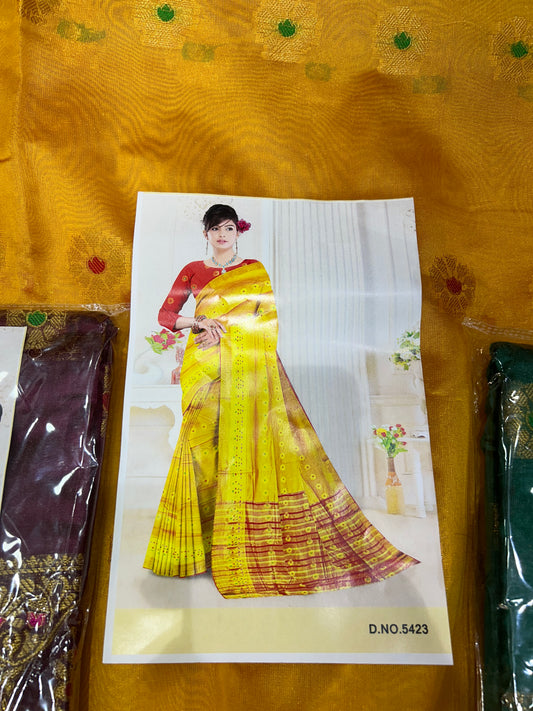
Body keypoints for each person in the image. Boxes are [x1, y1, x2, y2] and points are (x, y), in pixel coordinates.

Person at [143, 204, 418, 598]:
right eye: (215, 229)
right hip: (202, 367)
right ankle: (198, 548)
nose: (222, 235)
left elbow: (267, 321)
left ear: (238, 232)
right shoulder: (192, 271)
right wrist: (200, 322)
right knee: (199, 448)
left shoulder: (254, 270)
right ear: (205, 234)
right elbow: (166, 315)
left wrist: (228, 333)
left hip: (244, 368)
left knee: (241, 445)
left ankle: (234, 542)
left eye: (228, 228)